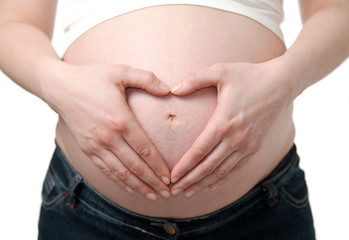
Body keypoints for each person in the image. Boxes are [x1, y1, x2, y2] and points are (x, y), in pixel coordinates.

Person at [0, 0, 348, 239]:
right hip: (90, 211)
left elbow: (336, 10)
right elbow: (13, 22)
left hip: (259, 210)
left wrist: (286, 79)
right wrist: (58, 86)